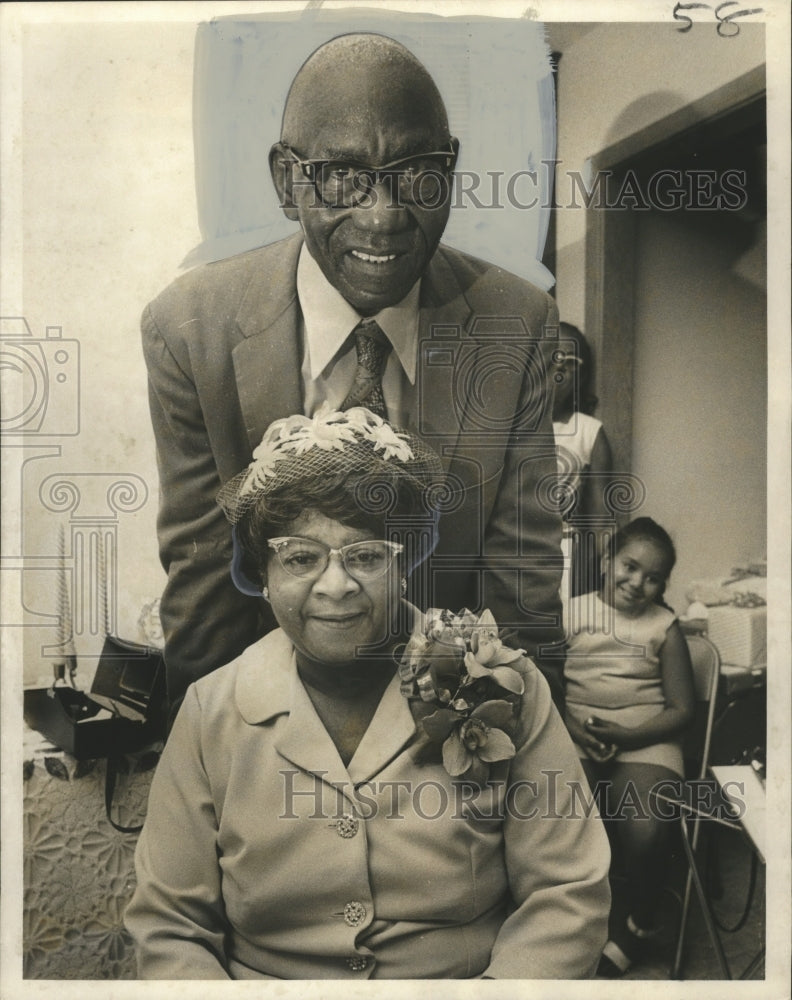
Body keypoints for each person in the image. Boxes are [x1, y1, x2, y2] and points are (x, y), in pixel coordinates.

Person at [141, 31, 564, 715]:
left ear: (451, 169)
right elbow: (204, 591)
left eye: (416, 173)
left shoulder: (516, 323)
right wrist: (212, 776)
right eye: (343, 176)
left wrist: (520, 762)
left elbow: (525, 583)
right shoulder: (191, 330)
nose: (384, 216)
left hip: (447, 731)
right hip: (273, 721)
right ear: (287, 179)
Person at [124, 407, 610, 980]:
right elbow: (171, 927)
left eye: (366, 555)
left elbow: (565, 894)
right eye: (300, 558)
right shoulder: (212, 711)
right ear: (263, 575)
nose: (336, 585)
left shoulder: (506, 684)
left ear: (404, 561)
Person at [562, 517, 695, 976]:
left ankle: (638, 923)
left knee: (647, 826)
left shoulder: (664, 626)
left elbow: (681, 709)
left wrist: (628, 737)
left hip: (647, 740)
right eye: (630, 566)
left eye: (653, 577)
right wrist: (575, 729)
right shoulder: (571, 612)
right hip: (577, 733)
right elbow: (550, 690)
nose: (638, 583)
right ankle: (563, 920)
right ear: (605, 561)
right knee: (549, 813)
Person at [550, 322, 614, 604]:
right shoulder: (514, 426)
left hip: (566, 550)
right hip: (513, 545)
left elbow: (602, 518)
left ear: (581, 373)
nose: (559, 367)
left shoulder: (589, 431)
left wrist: (601, 567)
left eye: (569, 360)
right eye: (552, 356)